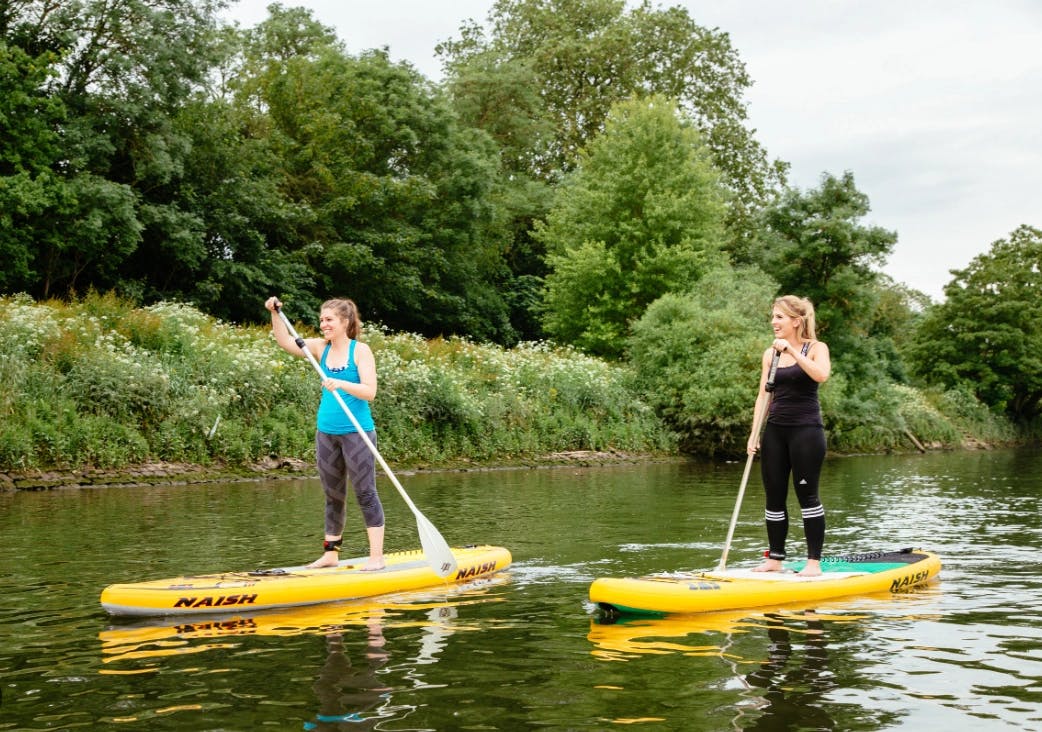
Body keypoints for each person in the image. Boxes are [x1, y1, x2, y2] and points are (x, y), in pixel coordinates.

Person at [265, 296, 385, 570]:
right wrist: (274, 314)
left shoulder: (360, 351)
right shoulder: (320, 348)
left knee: (365, 492)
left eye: (329, 319)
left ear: (345, 322)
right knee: (333, 495)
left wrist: (340, 383)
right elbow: (284, 342)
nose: (323, 324)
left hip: (357, 432)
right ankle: (331, 553)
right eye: (321, 320)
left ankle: (376, 557)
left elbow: (370, 391)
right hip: (326, 432)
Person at [746, 295, 831, 576]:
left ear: (796, 322)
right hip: (775, 431)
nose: (773, 322)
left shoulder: (817, 348)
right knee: (774, 496)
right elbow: (763, 395)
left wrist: (794, 353)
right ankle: (775, 559)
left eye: (779, 317)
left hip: (806, 431)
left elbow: (821, 375)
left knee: (807, 495)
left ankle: (813, 564)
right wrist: (754, 432)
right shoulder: (770, 354)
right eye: (773, 317)